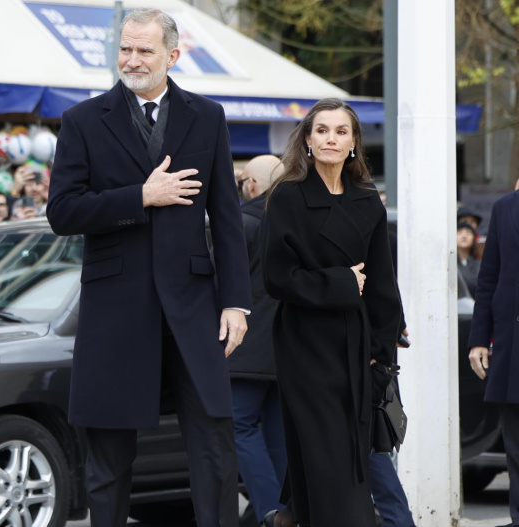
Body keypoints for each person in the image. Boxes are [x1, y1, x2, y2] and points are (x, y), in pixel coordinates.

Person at [46, 9, 251, 526]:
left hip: (194, 308)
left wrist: (235, 302)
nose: (132, 60)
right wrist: (141, 196)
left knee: (215, 449)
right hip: (115, 312)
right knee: (108, 462)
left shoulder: (208, 116)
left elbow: (226, 218)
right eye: (125, 50)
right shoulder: (83, 121)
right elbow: (62, 212)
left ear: (172, 56)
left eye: (144, 51)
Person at [261, 98, 401, 526]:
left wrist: (383, 353)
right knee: (326, 454)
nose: (331, 139)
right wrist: (340, 282)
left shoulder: (367, 202)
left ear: (354, 142)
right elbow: (277, 278)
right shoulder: (286, 197)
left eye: (342, 131)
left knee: (348, 455)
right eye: (322, 130)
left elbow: (381, 285)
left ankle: (290, 518)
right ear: (307, 138)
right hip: (305, 345)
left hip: (357, 348)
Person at [231, 155, 287, 524]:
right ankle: (289, 509)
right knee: (279, 434)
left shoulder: (241, 222)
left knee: (239, 426)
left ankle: (271, 508)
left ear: (251, 185)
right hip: (286, 347)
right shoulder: (296, 223)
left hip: (245, 347)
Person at [468, 187, 519, 527]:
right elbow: (488, 280)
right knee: (515, 446)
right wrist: (478, 341)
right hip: (512, 343)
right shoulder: (505, 209)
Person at [457, 222, 481, 297]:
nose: (464, 236)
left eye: (468, 233)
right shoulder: (449, 265)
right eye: (459, 232)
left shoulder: (479, 265)